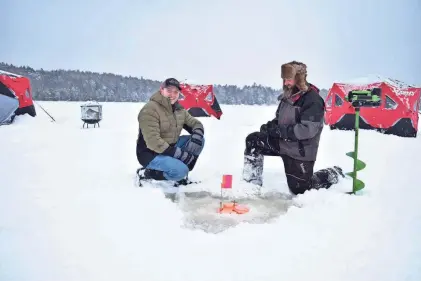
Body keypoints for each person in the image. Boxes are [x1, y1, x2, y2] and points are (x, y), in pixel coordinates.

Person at [242, 61, 344, 195]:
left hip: (299, 151)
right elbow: (280, 120)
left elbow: (307, 130)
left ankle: (332, 173)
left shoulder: (313, 100)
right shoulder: (288, 97)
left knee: (300, 190)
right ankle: (251, 185)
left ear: (299, 79)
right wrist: (270, 127)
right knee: (254, 140)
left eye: (289, 79)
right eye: (284, 79)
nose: (286, 83)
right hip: (282, 143)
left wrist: (280, 131)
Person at [136, 78, 205, 185]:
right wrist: (179, 154)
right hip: (150, 153)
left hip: (170, 146)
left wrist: (197, 134)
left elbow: (195, 123)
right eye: (169, 90)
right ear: (161, 90)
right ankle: (149, 172)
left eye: (176, 92)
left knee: (199, 140)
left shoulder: (178, 109)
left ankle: (181, 167)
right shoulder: (150, 109)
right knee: (180, 171)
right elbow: (153, 141)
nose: (172, 94)